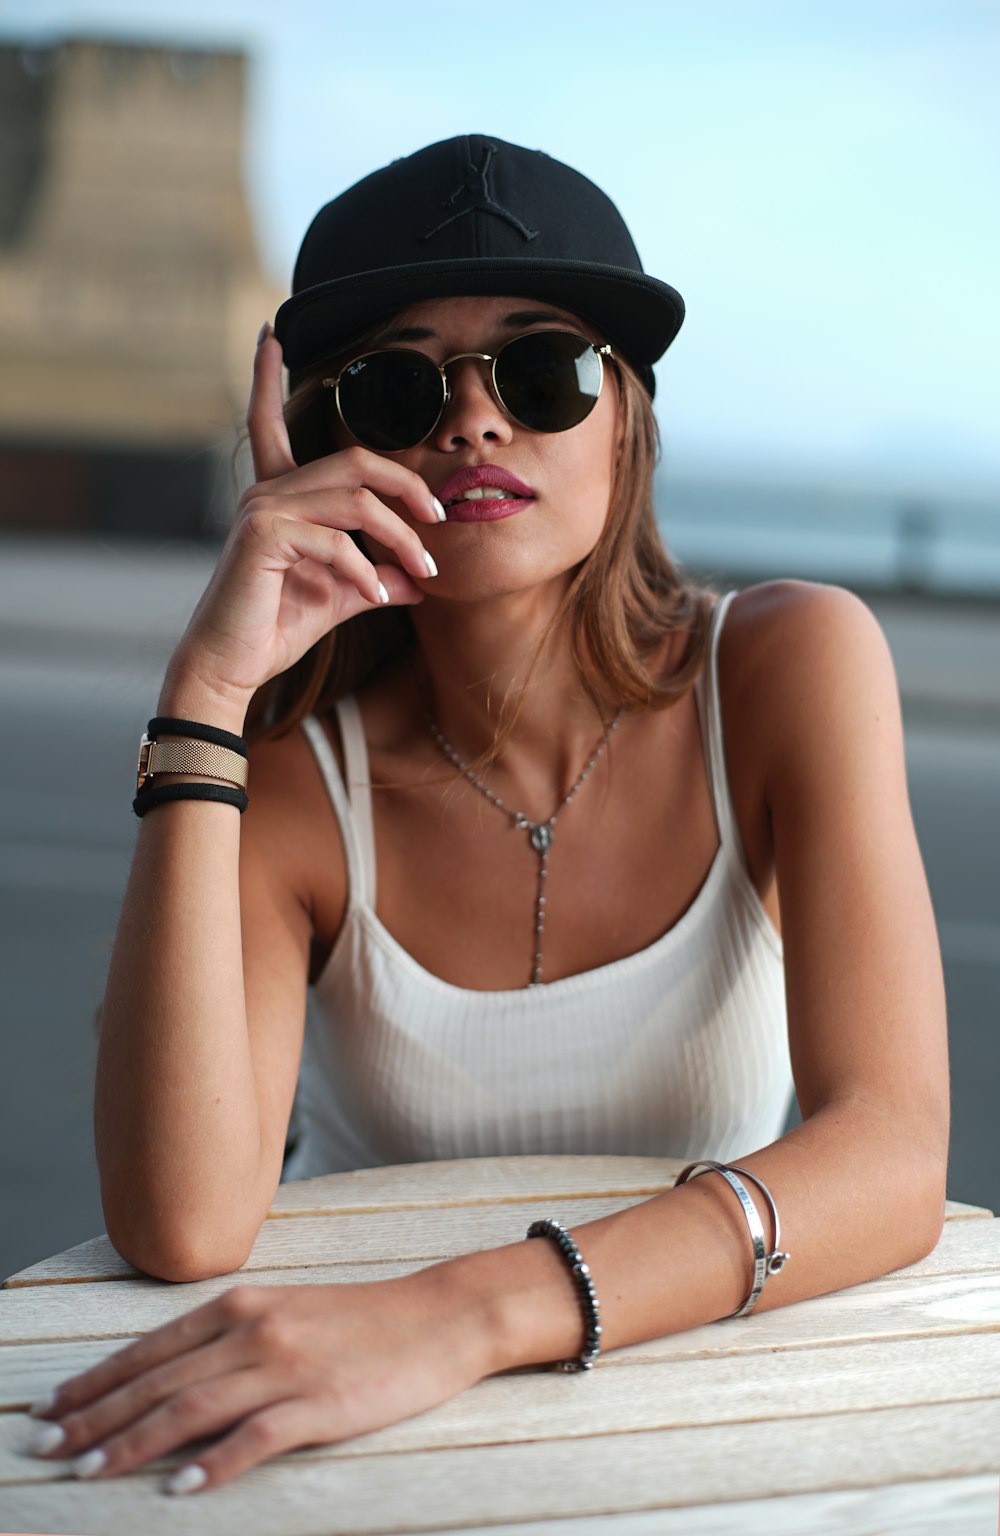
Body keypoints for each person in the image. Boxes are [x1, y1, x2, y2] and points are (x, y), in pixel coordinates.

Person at [28, 134, 948, 1496]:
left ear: (626, 414)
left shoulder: (784, 664)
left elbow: (888, 1154)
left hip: (683, 1390)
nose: (474, 423)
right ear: (327, 443)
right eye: (402, 386)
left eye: (542, 371)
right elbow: (179, 1222)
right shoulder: (294, 767)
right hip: (372, 1427)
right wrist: (209, 690)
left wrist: (459, 1314)